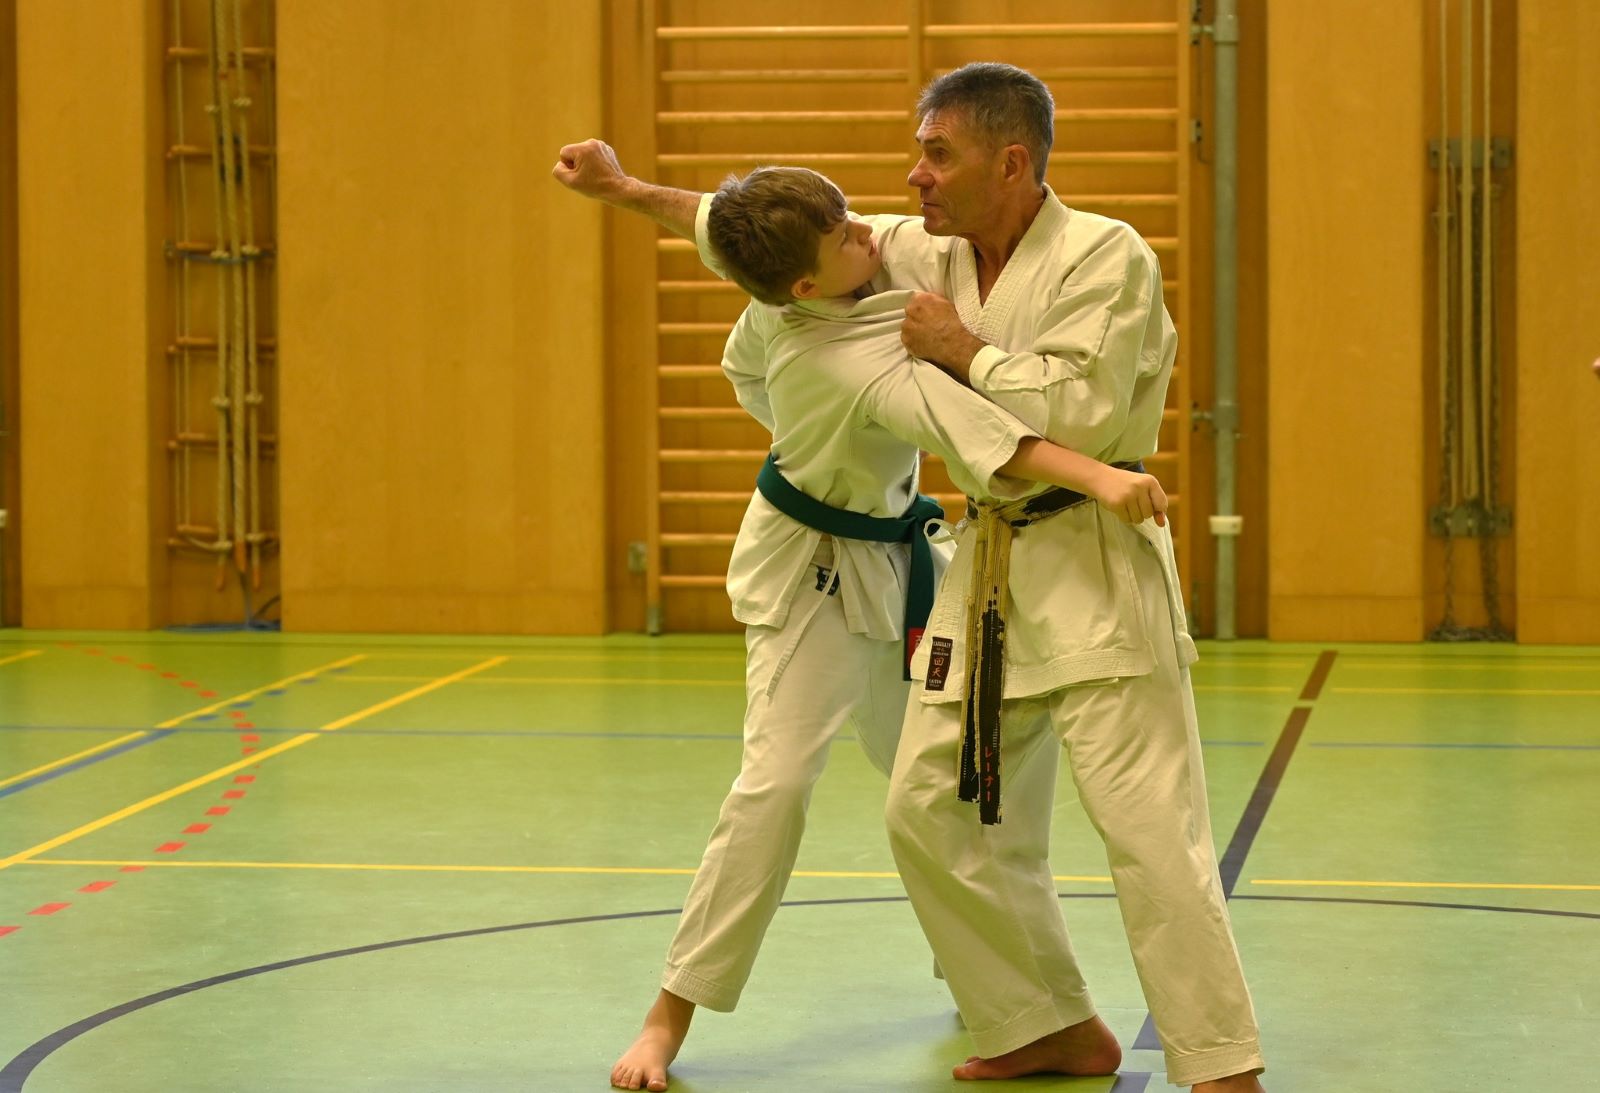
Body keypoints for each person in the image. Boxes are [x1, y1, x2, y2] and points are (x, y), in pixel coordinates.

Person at [554, 61, 1267, 1092]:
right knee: (929, 808)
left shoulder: (1104, 254)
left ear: (1009, 163)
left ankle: (1222, 1065)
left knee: (1150, 829)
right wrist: (624, 191)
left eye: (938, 153)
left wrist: (962, 349)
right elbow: (752, 232)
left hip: (1093, 559)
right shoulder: (923, 246)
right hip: (983, 565)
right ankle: (1045, 1021)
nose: (913, 176)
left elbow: (1081, 414)